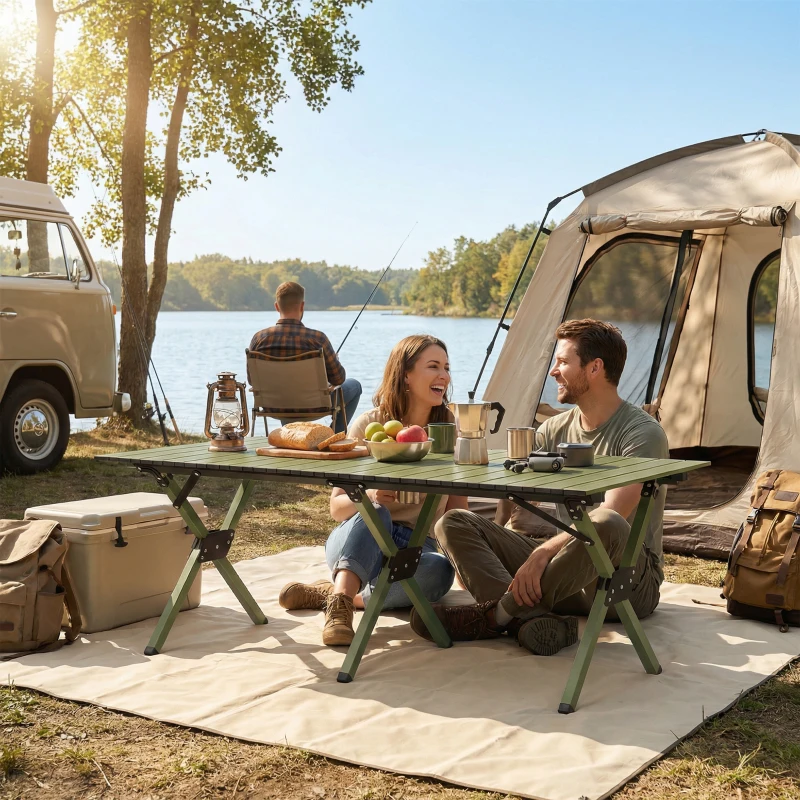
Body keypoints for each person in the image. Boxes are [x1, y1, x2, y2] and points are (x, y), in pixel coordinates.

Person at [410, 319, 669, 657]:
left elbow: (613, 511)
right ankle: (533, 621)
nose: (553, 372)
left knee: (607, 524)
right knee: (453, 521)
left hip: (624, 581)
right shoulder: (553, 430)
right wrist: (488, 553)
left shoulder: (642, 434)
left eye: (562, 362)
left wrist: (543, 551)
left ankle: (497, 614)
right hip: (564, 574)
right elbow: (517, 495)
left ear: (594, 368)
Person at [278, 335, 468, 646]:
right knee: (377, 513)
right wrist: (370, 498)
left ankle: (340, 595)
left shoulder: (449, 431)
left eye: (446, 368)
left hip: (416, 548)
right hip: (359, 536)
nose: (444, 376)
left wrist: (465, 569)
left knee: (439, 572)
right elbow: (337, 507)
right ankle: (340, 611)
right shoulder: (368, 426)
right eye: (433, 366)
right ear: (405, 374)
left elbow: (456, 512)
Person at [249, 281, 361, 434]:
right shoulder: (318, 339)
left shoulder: (259, 339)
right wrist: (333, 361)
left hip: (273, 406)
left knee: (285, 389)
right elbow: (339, 379)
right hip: (314, 406)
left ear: (276, 306)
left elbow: (252, 381)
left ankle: (291, 434)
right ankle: (333, 435)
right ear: (302, 306)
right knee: (355, 386)